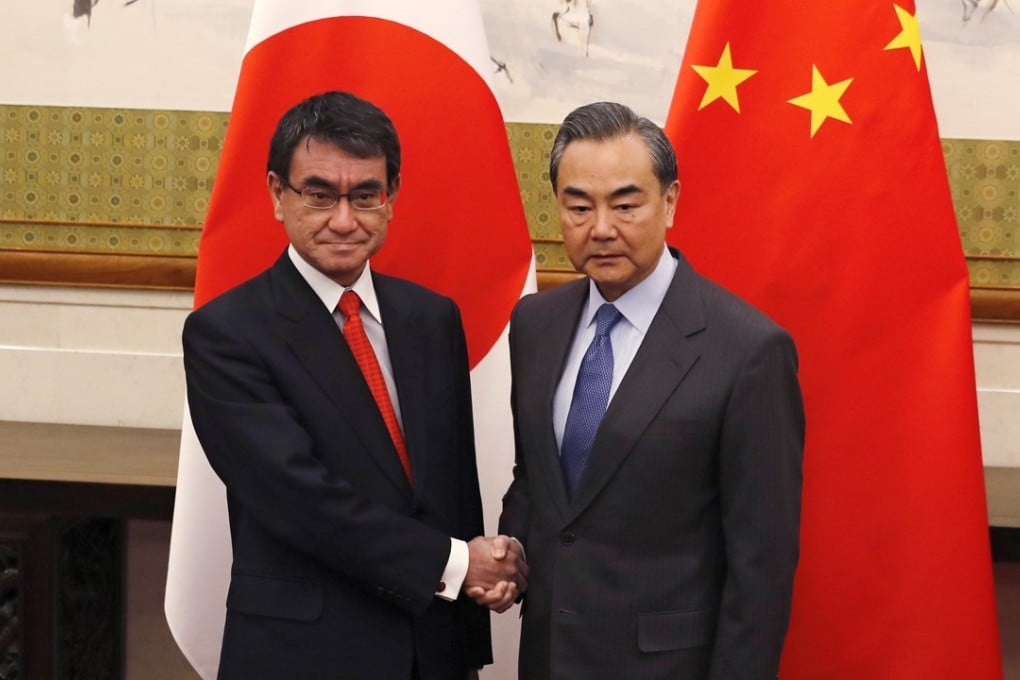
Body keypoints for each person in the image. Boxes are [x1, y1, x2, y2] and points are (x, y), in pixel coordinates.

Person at [183, 90, 526, 679]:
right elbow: (302, 500)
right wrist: (456, 565)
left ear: (390, 198)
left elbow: (448, 489)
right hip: (305, 656)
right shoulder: (226, 334)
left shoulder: (431, 318)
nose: (344, 220)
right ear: (276, 194)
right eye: (319, 195)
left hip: (431, 650)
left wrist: (485, 586)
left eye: (365, 195)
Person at [497, 102, 804, 679]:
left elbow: (762, 567)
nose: (602, 228)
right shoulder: (535, 323)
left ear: (670, 202)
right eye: (579, 206)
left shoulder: (748, 350)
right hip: (548, 656)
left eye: (626, 203)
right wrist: (511, 552)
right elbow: (539, 477)